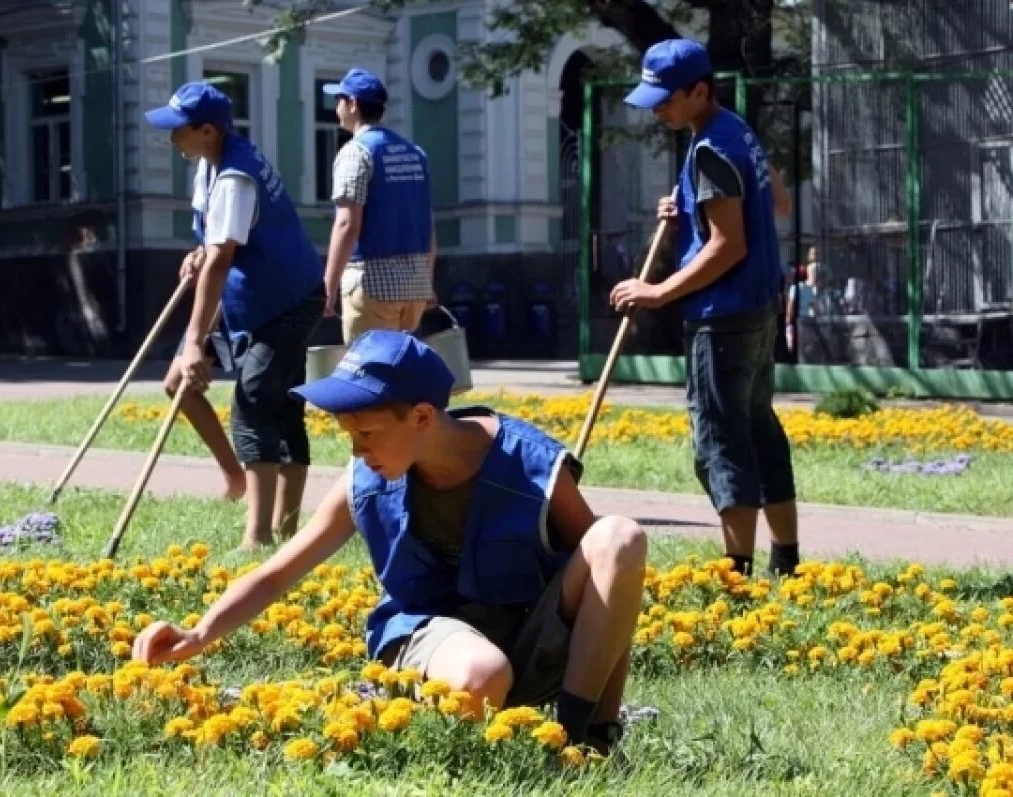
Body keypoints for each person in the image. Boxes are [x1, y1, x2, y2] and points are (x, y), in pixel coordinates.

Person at [133, 330, 648, 753]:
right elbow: (279, 571)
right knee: (481, 674)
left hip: (533, 639)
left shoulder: (530, 467)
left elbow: (611, 593)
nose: (357, 452)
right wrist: (198, 633)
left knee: (619, 538)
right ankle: (391, 702)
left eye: (367, 434)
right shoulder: (366, 480)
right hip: (436, 642)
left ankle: (583, 741)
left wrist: (600, 710)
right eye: (349, 437)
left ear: (422, 417)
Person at [610, 39, 800, 577]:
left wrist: (658, 291)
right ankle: (785, 559)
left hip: (723, 315)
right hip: (759, 307)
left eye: (666, 99)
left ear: (699, 90)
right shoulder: (734, 131)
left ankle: (735, 571)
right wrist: (689, 207)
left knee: (721, 437)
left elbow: (728, 245)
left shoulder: (710, 150)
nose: (658, 110)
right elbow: (777, 201)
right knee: (759, 428)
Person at [145, 81, 326, 550]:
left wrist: (193, 343)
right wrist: (197, 253)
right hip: (248, 299)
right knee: (178, 384)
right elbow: (214, 245)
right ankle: (236, 478)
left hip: (285, 299)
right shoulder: (210, 164)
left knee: (260, 402)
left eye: (178, 130)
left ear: (207, 130)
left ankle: (262, 535)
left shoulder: (235, 177)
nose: (171, 140)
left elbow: (223, 260)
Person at [321, 68, 437, 343]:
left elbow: (348, 225)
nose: (335, 107)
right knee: (400, 375)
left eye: (339, 99)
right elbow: (428, 226)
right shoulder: (415, 154)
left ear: (353, 104)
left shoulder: (356, 152)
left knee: (367, 376)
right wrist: (427, 283)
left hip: (372, 288)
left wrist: (328, 287)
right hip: (415, 289)